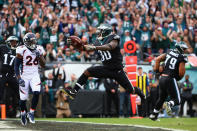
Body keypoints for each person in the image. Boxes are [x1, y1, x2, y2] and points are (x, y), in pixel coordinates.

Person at [62, 24, 145, 101]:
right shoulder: (98, 41)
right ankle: (73, 92)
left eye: (100, 31)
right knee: (87, 72)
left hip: (117, 70)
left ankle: (141, 94)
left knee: (131, 90)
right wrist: (78, 46)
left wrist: (95, 47)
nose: (98, 33)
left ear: (105, 32)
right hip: (106, 68)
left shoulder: (113, 37)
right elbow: (87, 48)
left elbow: (110, 46)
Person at [149, 43, 188, 121]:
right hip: (170, 78)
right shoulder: (182, 57)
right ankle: (169, 104)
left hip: (162, 78)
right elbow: (181, 73)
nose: (185, 51)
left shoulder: (169, 52)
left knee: (161, 98)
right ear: (180, 49)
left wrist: (157, 72)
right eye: (184, 49)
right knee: (177, 100)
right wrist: (177, 78)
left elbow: (157, 59)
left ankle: (154, 115)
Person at [14, 32, 46, 125]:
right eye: (31, 42)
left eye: (34, 41)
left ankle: (31, 112)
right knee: (23, 99)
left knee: (36, 92)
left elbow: (43, 64)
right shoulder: (21, 49)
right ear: (26, 42)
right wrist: (19, 78)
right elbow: (16, 66)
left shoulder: (39, 49)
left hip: (35, 74)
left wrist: (39, 56)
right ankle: (23, 113)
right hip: (24, 75)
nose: (33, 43)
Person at [0, 36, 19, 116]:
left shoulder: (18, 51)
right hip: (2, 73)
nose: (14, 43)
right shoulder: (2, 47)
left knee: (19, 93)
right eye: (12, 42)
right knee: (0, 93)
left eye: (15, 42)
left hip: (12, 74)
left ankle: (22, 110)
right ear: (8, 42)